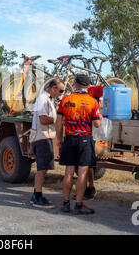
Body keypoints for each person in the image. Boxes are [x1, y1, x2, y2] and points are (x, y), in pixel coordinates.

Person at [55, 74, 102, 214]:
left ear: (75, 84)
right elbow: (97, 124)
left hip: (69, 138)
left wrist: (59, 139)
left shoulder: (65, 100)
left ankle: (65, 202)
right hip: (85, 140)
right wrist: (99, 116)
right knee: (82, 173)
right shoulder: (92, 102)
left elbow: (58, 122)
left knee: (68, 172)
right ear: (88, 86)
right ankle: (79, 205)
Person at [29, 78, 65, 208]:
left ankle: (36, 195)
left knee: (43, 169)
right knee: (42, 169)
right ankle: (37, 197)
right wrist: (58, 120)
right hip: (42, 137)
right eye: (60, 90)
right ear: (52, 88)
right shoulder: (42, 99)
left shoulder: (48, 99)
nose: (61, 93)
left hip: (45, 137)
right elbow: (43, 119)